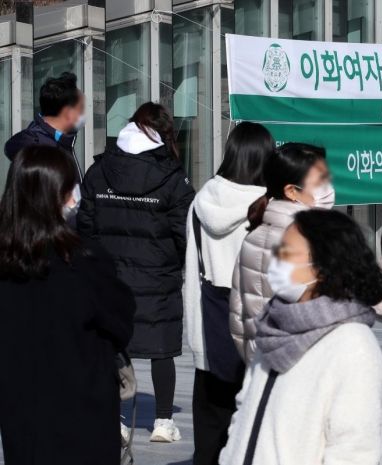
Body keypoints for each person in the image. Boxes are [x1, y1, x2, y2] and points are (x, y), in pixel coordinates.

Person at [219, 209, 382, 465]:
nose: (275, 260)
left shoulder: (353, 346)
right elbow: (244, 411)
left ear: (322, 267)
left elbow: (354, 452)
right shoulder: (274, 325)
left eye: (287, 253)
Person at [0, 146, 134, 465]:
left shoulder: (7, 262)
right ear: (56, 195)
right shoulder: (84, 261)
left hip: (21, 414)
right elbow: (121, 323)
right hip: (82, 412)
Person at [77, 102, 195, 443]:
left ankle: (115, 419)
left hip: (110, 278)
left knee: (114, 347)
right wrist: (177, 262)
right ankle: (162, 422)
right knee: (161, 348)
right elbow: (184, 228)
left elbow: (86, 224)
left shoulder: (100, 169)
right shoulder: (171, 175)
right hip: (158, 276)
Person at [183, 122, 274, 465]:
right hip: (256, 335)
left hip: (209, 331)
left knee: (209, 432)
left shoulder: (201, 201)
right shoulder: (268, 207)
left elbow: (192, 271)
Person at [229, 142, 331, 361]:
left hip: (264, 367)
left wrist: (254, 361)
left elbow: (238, 316)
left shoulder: (254, 236)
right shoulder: (307, 241)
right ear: (292, 191)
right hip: (303, 370)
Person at [5, 72, 85, 182]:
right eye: (80, 109)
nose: (83, 115)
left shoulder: (63, 141)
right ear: (68, 112)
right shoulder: (36, 152)